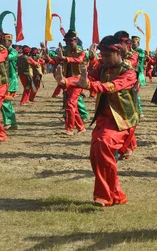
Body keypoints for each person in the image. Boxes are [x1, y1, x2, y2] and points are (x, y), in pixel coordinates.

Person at [54, 35, 138, 207]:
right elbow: (85, 78)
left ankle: (104, 196)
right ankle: (117, 195)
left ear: (118, 53)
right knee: (96, 155)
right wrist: (65, 81)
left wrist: (90, 86)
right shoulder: (102, 68)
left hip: (122, 122)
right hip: (103, 119)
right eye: (102, 55)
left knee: (102, 146)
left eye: (107, 55)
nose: (104, 58)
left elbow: (111, 86)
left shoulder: (129, 72)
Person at [43, 30, 87, 135]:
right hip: (67, 81)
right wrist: (48, 59)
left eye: (70, 43)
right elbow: (56, 61)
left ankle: (69, 129)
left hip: (78, 81)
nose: (68, 45)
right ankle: (81, 127)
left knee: (70, 103)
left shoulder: (82, 52)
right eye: (66, 43)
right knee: (73, 106)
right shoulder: (65, 51)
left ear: (76, 40)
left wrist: (65, 58)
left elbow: (79, 60)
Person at [1, 33, 18, 130]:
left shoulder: (13, 52)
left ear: (10, 42)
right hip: (3, 81)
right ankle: (12, 123)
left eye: (5, 41)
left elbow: (6, 57)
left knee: (5, 101)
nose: (2, 43)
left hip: (10, 81)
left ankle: (9, 122)